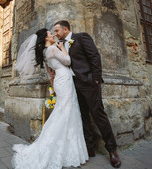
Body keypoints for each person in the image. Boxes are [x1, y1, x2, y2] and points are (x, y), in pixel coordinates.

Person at [12, 28, 88, 169]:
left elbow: (50, 74)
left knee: (64, 111)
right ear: (46, 38)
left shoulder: (45, 53)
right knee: (66, 112)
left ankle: (63, 147)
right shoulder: (53, 49)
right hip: (64, 79)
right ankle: (59, 147)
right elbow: (68, 61)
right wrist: (62, 48)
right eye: (50, 34)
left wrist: (54, 88)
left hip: (59, 81)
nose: (52, 35)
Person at [54, 20, 121, 168]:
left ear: (66, 29)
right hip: (73, 85)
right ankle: (89, 147)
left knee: (98, 114)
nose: (55, 34)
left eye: (57, 31)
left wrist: (95, 80)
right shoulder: (60, 45)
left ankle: (112, 150)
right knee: (83, 116)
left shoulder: (81, 37)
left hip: (89, 83)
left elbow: (95, 57)